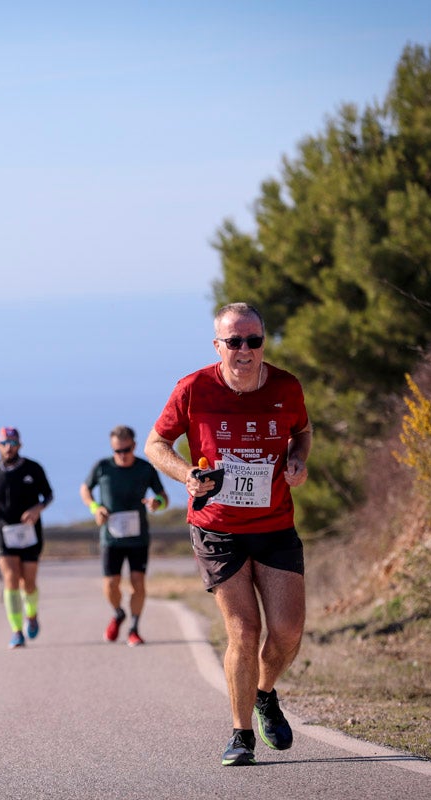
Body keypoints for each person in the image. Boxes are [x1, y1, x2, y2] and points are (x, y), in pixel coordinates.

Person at [144, 302, 313, 767]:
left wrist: (298, 460)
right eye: (233, 341)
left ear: (263, 343)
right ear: (218, 346)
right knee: (244, 628)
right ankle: (241, 735)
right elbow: (155, 444)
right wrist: (185, 475)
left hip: (275, 522)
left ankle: (263, 694)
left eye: (252, 340)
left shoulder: (285, 387)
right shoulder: (194, 388)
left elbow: (303, 430)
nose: (244, 350)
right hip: (217, 528)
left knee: (288, 631)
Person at [80, 425, 168, 647]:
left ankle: (134, 628)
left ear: (134, 446)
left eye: (126, 450)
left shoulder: (145, 469)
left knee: (138, 582)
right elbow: (85, 489)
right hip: (111, 537)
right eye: (117, 451)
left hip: (138, 537)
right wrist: (95, 508)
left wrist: (157, 503)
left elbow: (163, 497)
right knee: (111, 583)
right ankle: (118, 613)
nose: (122, 455)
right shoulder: (102, 467)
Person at [0, 426, 54, 649]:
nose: (8, 448)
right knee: (10, 579)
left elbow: (48, 495)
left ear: (19, 445)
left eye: (12, 444)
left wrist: (37, 509)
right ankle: (16, 630)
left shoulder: (33, 468)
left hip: (29, 531)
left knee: (28, 582)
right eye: (4, 444)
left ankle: (31, 614)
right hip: (3, 531)